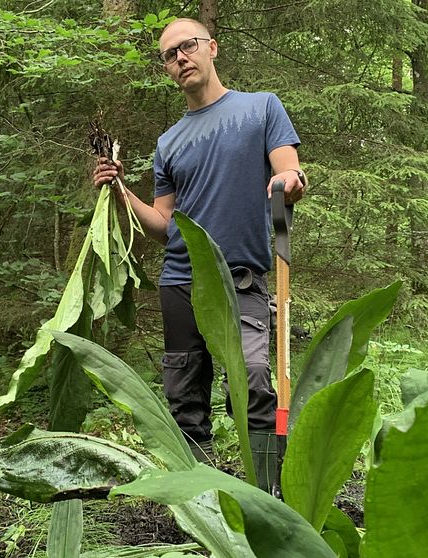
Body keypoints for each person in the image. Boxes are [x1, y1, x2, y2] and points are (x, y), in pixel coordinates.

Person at [92, 18, 306, 491]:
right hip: (179, 281)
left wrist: (289, 183)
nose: (180, 58)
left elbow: (288, 172)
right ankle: (201, 499)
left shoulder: (261, 108)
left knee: (251, 383)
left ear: (212, 47)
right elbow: (165, 226)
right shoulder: (168, 142)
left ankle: (269, 494)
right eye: (169, 55)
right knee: (184, 395)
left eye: (186, 46)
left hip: (239, 279)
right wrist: (121, 191)